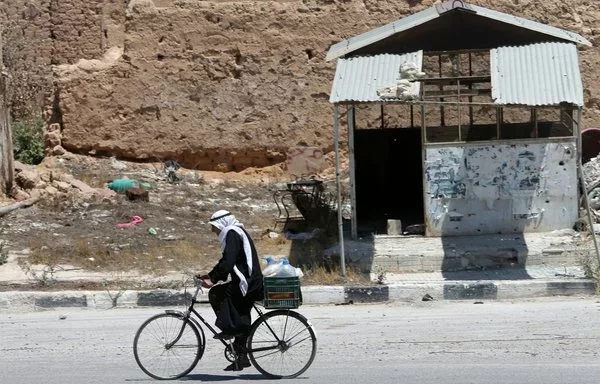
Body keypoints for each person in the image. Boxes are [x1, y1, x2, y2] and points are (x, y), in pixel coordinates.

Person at [196, 209, 264, 371]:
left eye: (214, 227)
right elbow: (226, 261)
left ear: (222, 224)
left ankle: (229, 329)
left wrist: (212, 280)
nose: (213, 231)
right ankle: (241, 356)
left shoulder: (232, 233)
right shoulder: (235, 232)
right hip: (249, 282)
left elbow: (228, 261)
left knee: (217, 293)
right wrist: (210, 275)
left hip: (247, 283)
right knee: (240, 315)